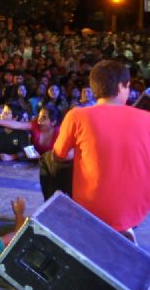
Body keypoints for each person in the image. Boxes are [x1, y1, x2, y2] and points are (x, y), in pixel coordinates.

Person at [49, 60, 150, 237]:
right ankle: (125, 228)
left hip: (90, 208)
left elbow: (58, 156)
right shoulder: (147, 119)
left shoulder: (77, 115)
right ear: (121, 86)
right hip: (136, 211)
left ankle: (55, 214)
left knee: (47, 160)